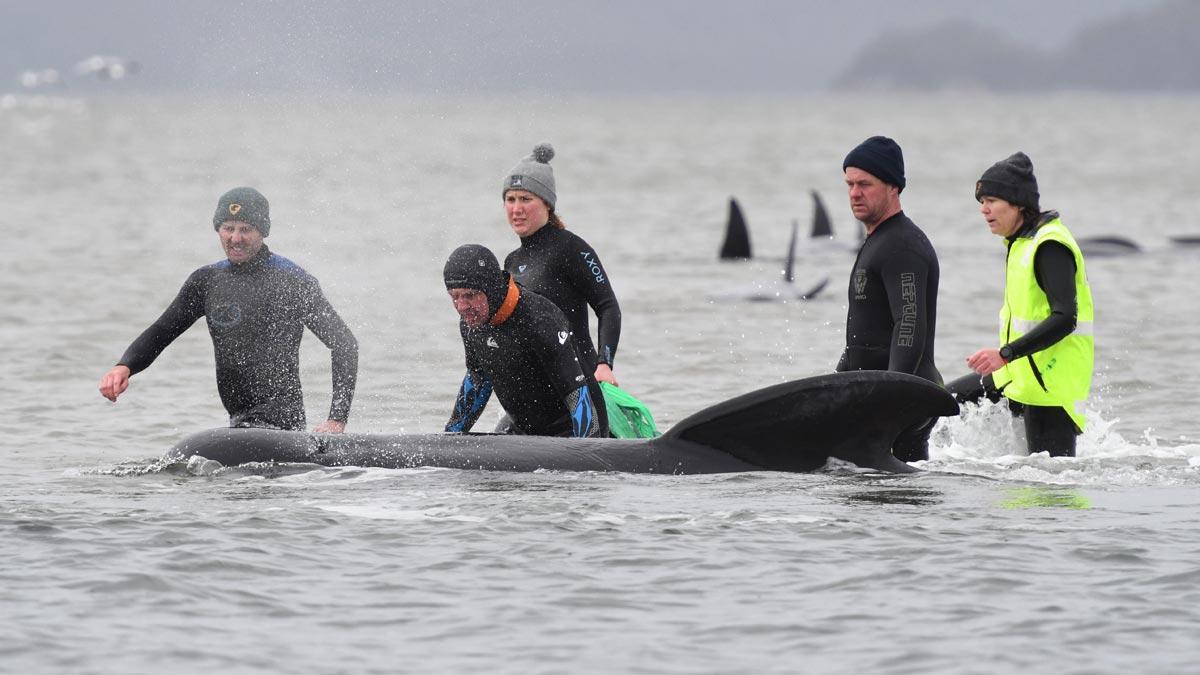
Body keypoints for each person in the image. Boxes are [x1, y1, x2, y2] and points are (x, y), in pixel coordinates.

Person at [98, 187, 359, 433]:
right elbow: (162, 331)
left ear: (263, 232)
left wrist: (336, 419)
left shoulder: (293, 281)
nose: (236, 238)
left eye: (246, 229)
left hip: (282, 427)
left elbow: (345, 344)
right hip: (238, 424)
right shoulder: (207, 281)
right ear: (218, 230)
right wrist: (125, 367)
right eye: (228, 228)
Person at [958, 152, 1094, 457]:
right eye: (981, 202)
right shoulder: (1020, 243)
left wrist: (1005, 354)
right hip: (1018, 375)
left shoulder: (1049, 245)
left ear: (1018, 203)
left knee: (1047, 490)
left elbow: (1065, 317)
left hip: (1050, 387)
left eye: (991, 200)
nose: (984, 209)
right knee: (939, 403)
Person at [500, 143, 621, 432]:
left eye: (525, 199)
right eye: (510, 199)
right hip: (537, 395)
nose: (516, 209)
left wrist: (605, 364)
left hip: (578, 385)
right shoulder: (511, 262)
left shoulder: (571, 248)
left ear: (547, 204)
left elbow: (608, 306)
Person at [837, 136, 943, 462]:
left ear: (893, 187)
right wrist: (837, 386)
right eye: (850, 184)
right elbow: (865, 333)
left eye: (865, 184)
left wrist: (892, 397)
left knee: (895, 502)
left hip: (902, 399)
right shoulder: (879, 240)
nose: (855, 193)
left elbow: (908, 323)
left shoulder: (902, 248)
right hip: (880, 395)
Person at [443, 244, 603, 438]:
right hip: (522, 431)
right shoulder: (471, 323)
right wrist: (449, 438)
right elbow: (478, 379)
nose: (461, 306)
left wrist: (588, 450)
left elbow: (576, 395)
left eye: (470, 295)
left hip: (571, 431)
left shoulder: (540, 319)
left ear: (492, 290)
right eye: (454, 297)